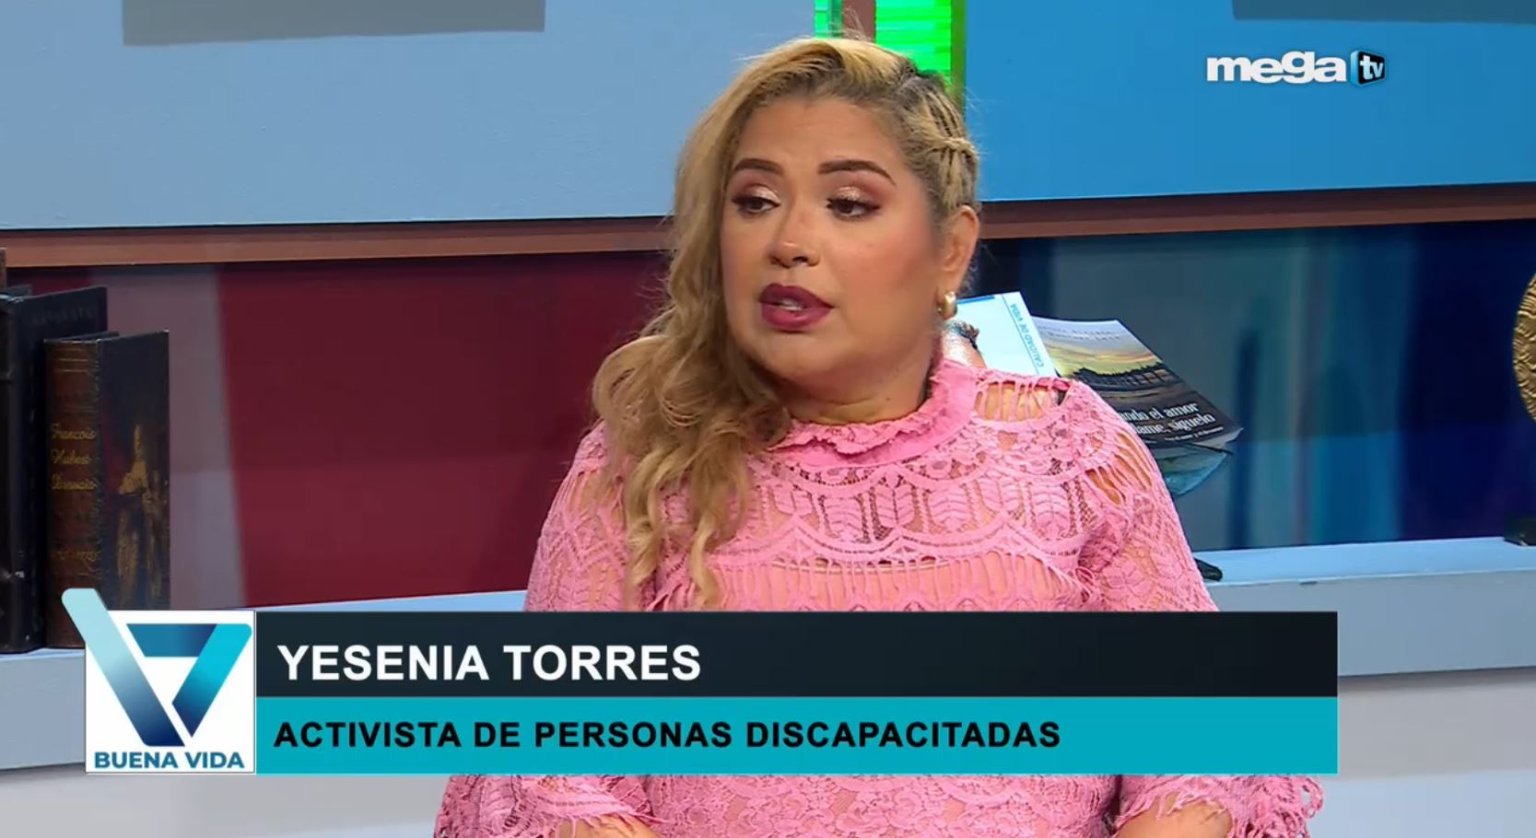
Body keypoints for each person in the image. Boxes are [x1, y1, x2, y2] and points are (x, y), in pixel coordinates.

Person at [435, 36, 1322, 838]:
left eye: (849, 204)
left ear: (949, 250)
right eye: (754, 201)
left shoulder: (1070, 449)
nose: (789, 241)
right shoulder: (641, 461)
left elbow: (1199, 743)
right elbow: (561, 769)